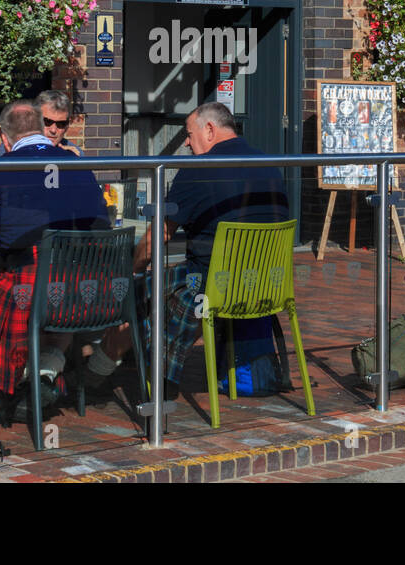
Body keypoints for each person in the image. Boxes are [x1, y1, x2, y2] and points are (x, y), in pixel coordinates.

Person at [91, 102, 289, 397]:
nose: (185, 141)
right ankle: (120, 366)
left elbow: (156, 238)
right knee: (167, 289)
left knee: (138, 293)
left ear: (209, 129)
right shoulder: (271, 165)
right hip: (266, 286)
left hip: (214, 288)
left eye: (189, 133)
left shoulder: (199, 169)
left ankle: (95, 376)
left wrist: (133, 270)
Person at [0, 99, 109, 406]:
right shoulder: (77, 165)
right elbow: (101, 224)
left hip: (28, 288)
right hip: (84, 290)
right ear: (41, 129)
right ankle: (43, 377)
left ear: (3, 139)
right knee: (43, 291)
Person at [0, 89, 82, 157]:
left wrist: (74, 165)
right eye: (47, 122)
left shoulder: (73, 153)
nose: (53, 130)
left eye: (61, 124)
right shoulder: (12, 146)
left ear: (67, 125)